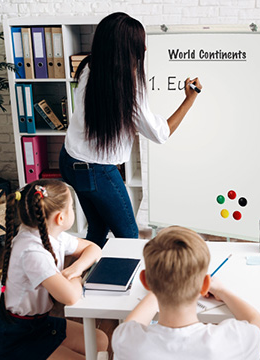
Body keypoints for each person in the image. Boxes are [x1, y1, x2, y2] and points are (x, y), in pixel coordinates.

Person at [59, 12, 202, 248]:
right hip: (97, 171)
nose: (144, 47)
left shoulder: (88, 67)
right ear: (127, 48)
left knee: (97, 228)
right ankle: (121, 282)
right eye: (139, 43)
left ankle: (83, 278)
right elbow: (160, 133)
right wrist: (190, 98)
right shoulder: (128, 85)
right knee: (128, 237)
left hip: (69, 160)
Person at [0, 179, 108, 360]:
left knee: (99, 340)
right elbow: (70, 297)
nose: (73, 210)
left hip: (37, 324)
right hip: (10, 339)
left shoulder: (52, 235)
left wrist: (75, 269)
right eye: (71, 206)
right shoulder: (32, 251)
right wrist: (76, 278)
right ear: (60, 218)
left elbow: (94, 248)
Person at [112, 226, 260, 360]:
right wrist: (222, 291)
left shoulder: (126, 341)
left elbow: (130, 324)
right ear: (205, 285)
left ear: (145, 281)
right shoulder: (229, 342)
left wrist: (160, 283)